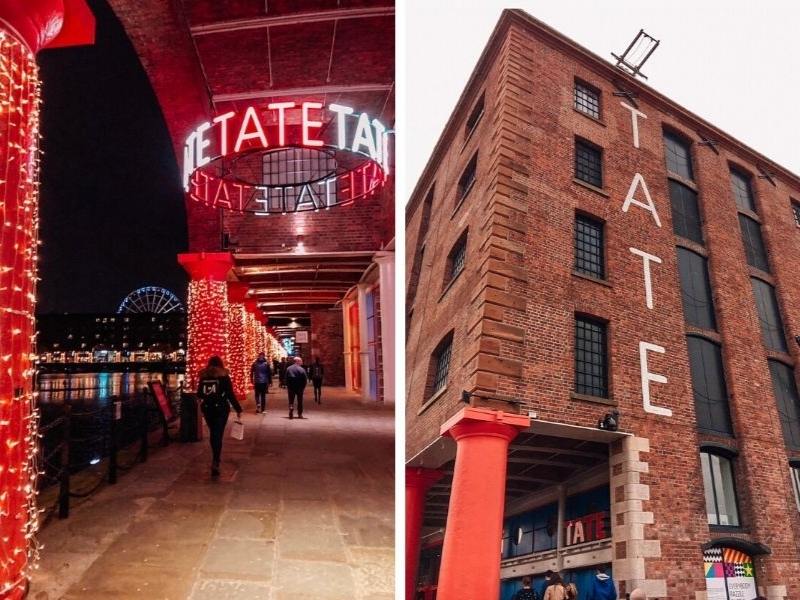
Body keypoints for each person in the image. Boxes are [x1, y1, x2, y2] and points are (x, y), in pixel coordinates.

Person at [197, 356, 242, 477]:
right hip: (221, 408)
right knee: (218, 433)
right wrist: (238, 409)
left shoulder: (204, 376)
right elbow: (230, 394)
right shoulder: (224, 376)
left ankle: (215, 458)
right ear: (221, 364)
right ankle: (216, 460)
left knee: (213, 433)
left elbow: (199, 393)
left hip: (207, 408)